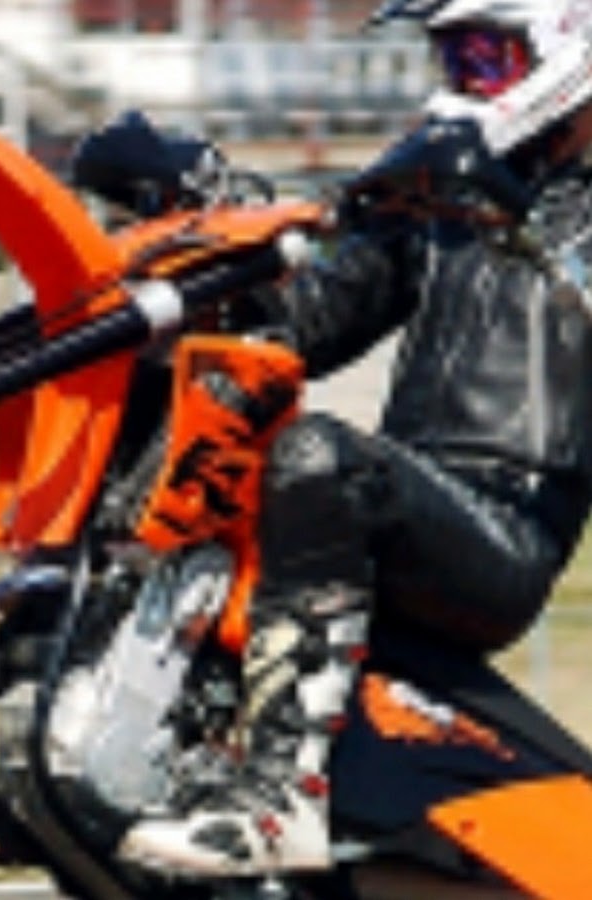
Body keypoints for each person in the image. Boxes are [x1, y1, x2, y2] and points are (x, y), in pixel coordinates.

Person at [118, 0, 592, 877]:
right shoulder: (446, 191)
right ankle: (78, 741)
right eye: (452, 60)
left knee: (320, 457)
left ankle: (279, 799)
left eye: (485, 59)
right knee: (208, 414)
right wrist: (187, 238)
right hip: (406, 502)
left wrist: (515, 222)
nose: (463, 84)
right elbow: (306, 321)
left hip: (501, 535)